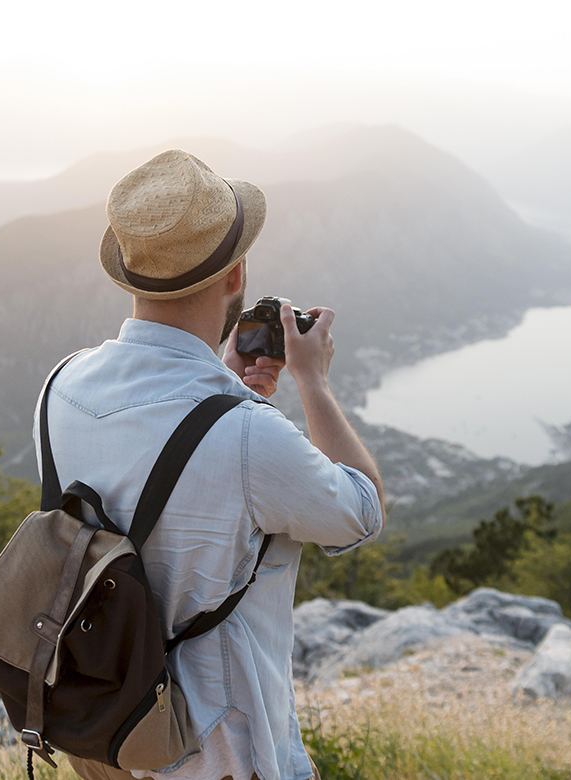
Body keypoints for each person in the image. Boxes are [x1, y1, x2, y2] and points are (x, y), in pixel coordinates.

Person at [34, 150, 385, 780]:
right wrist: (314, 383)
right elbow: (362, 510)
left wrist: (220, 387)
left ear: (131, 275)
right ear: (236, 275)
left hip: (102, 736)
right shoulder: (247, 433)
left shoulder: (60, 387)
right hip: (214, 751)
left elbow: (141, 477)